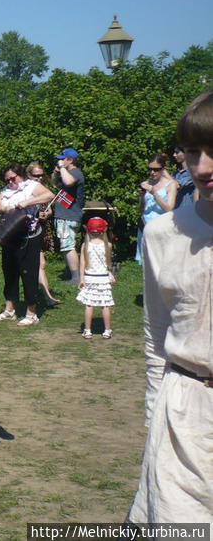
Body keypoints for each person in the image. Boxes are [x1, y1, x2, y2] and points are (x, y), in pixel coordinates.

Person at [128, 90, 213, 523]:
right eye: (193, 152)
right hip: (183, 413)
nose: (202, 168)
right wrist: (154, 416)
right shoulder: (163, 234)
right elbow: (156, 335)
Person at [0, 162, 54, 327]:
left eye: (13, 178)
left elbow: (49, 195)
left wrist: (27, 202)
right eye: (7, 180)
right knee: (9, 272)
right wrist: (7, 207)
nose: (11, 182)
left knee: (29, 273)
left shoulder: (31, 186)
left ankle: (31, 313)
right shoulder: (6, 191)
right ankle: (10, 309)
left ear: (20, 175)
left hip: (29, 236)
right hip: (10, 237)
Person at [26, 162, 60, 307]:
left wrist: (47, 214)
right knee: (37, 264)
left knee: (41, 264)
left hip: (42, 229)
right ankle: (43, 296)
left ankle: (46, 296)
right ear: (28, 175)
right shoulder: (25, 189)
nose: (39, 178)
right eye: (36, 176)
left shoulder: (43, 189)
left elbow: (48, 208)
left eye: (41, 176)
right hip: (28, 230)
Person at [76, 217, 115, 340]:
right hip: (103, 279)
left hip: (90, 279)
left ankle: (87, 331)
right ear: (104, 230)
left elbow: (82, 264)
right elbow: (108, 263)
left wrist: (81, 278)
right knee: (105, 305)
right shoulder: (108, 245)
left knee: (89, 305)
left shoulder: (85, 246)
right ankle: (107, 330)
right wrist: (110, 273)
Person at [135, 153, 177, 265]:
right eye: (150, 169)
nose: (152, 172)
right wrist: (142, 197)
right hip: (146, 226)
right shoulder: (145, 184)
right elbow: (141, 209)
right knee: (147, 265)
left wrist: (154, 193)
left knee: (163, 264)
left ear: (163, 169)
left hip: (162, 228)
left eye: (156, 169)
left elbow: (169, 208)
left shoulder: (170, 185)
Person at [52, 148, 85, 285]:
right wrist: (56, 172)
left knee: (68, 246)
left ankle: (76, 278)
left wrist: (62, 168)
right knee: (66, 245)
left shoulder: (75, 173)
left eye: (63, 159)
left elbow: (69, 182)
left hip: (69, 216)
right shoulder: (68, 173)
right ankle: (71, 273)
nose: (60, 161)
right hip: (64, 215)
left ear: (70, 160)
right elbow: (56, 184)